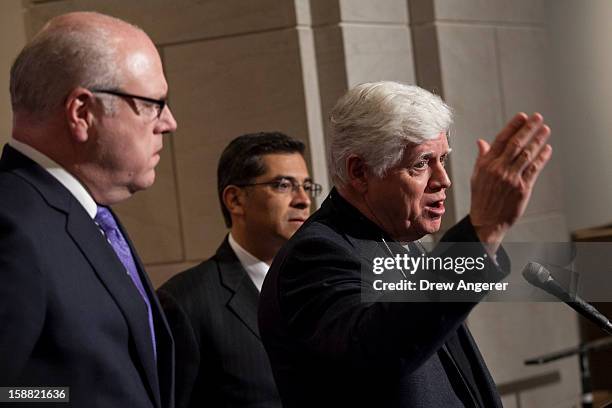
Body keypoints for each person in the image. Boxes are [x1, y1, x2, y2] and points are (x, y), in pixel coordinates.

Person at [258, 81, 552, 407]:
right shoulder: (315, 256)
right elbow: (379, 348)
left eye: (443, 159)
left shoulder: (399, 240)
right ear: (360, 172)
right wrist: (483, 231)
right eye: (422, 163)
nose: (443, 180)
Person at [0, 12, 178, 407]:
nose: (169, 122)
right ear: (82, 112)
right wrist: (69, 398)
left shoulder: (90, 213)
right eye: (153, 104)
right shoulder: (11, 225)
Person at [158, 132, 321, 408]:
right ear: (235, 200)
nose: (303, 200)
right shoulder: (184, 302)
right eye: (283, 185)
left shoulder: (325, 283)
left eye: (307, 186)